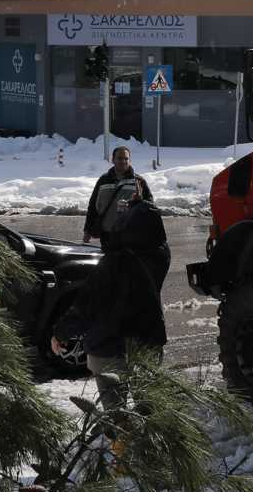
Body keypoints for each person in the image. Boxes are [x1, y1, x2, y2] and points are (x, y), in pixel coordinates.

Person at [55, 194, 169, 400]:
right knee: (150, 407)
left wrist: (61, 333)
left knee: (116, 416)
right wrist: (141, 207)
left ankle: (117, 432)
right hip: (148, 340)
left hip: (108, 345)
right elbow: (150, 229)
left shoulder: (114, 263)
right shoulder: (160, 256)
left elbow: (87, 306)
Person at [83, 145, 153, 247]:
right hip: (107, 233)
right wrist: (87, 230)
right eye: (120, 158)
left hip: (130, 234)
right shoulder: (103, 180)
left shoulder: (138, 181)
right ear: (113, 160)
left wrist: (139, 201)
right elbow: (93, 206)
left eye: (126, 158)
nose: (123, 161)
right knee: (109, 262)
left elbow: (150, 206)